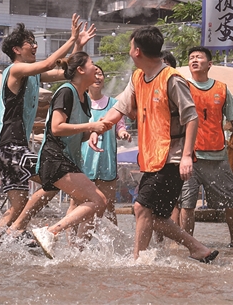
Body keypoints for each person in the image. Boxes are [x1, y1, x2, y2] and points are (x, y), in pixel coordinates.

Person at [90, 26, 219, 263]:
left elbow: (191, 117)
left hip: (173, 158)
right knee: (156, 216)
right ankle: (198, 249)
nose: (129, 52)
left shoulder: (172, 79)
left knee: (141, 207)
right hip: (152, 159)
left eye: (130, 47)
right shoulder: (138, 77)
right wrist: (99, 127)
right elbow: (120, 107)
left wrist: (187, 156)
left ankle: (138, 261)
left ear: (137, 51)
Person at [0, 15, 95, 242]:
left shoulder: (33, 75)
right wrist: (71, 39)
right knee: (54, 176)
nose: (35, 46)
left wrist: (78, 46)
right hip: (8, 144)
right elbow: (48, 64)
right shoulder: (15, 70)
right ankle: (18, 230)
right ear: (17, 49)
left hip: (11, 146)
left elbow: (69, 73)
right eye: (30, 43)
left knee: (17, 206)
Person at [28, 52, 112, 257]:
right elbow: (56, 128)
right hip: (54, 158)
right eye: (92, 64)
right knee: (98, 200)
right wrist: (91, 126)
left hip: (68, 159)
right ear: (81, 70)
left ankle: (77, 252)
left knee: (94, 204)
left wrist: (92, 133)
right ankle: (50, 232)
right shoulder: (66, 91)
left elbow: (76, 132)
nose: (96, 69)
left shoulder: (84, 99)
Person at [177, 46, 233, 247]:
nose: (194, 60)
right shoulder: (182, 87)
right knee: (187, 204)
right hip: (190, 157)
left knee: (231, 201)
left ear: (209, 64)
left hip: (218, 156)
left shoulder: (221, 89)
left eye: (198, 57)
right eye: (191, 58)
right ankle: (189, 245)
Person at [77, 65, 130, 224]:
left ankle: (113, 240)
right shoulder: (80, 102)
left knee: (109, 205)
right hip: (83, 161)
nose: (98, 77)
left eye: (100, 74)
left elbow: (120, 125)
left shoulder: (114, 104)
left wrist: (122, 133)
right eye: (94, 74)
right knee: (77, 203)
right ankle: (72, 238)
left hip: (106, 161)